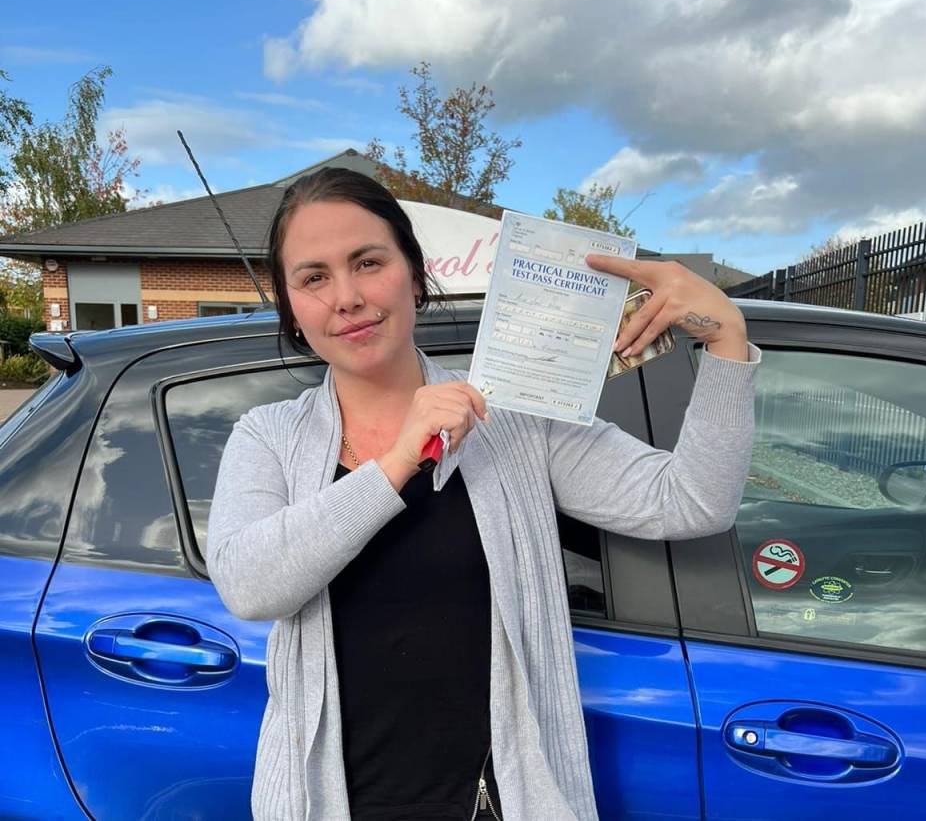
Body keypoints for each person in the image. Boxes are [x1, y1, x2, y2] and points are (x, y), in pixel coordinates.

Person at [207, 168, 759, 821]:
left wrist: (727, 340)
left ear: (414, 274)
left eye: (368, 262)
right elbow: (249, 585)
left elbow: (692, 501)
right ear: (294, 309)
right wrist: (395, 463)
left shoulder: (515, 416)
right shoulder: (267, 435)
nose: (347, 297)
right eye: (314, 277)